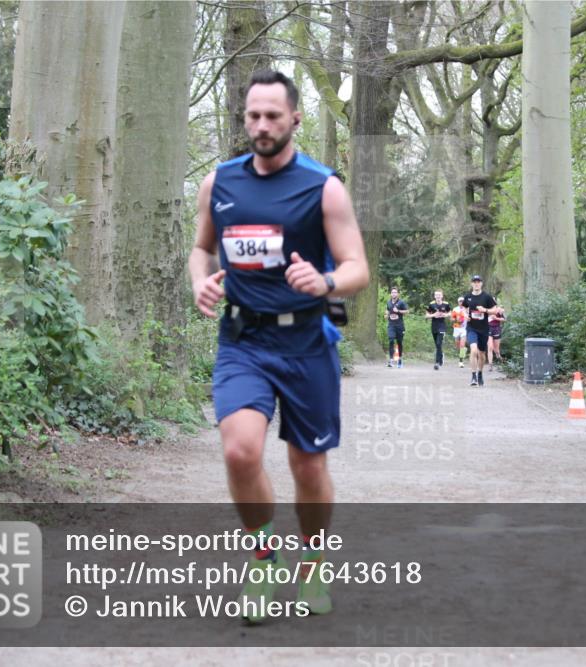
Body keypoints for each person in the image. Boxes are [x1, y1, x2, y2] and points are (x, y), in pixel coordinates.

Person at [188, 69, 369, 622]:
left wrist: (326, 282)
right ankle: (263, 558)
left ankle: (312, 563)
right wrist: (201, 279)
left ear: (294, 119)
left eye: (272, 115)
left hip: (306, 342)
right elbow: (201, 250)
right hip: (243, 338)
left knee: (307, 466)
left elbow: (358, 267)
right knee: (240, 449)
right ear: (243, 118)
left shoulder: (323, 186)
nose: (261, 125)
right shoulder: (219, 184)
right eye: (252, 115)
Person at [461, 275, 497, 387]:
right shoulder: (468, 297)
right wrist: (465, 315)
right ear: (471, 284)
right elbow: (463, 309)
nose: (476, 284)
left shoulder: (486, 297)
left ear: (481, 284)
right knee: (473, 350)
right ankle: (473, 376)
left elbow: (495, 310)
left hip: (484, 329)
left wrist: (485, 310)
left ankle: (480, 373)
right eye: (474, 282)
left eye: (478, 282)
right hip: (471, 328)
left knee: (482, 354)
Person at [424, 290, 452, 370]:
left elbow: (450, 313)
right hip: (434, 326)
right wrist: (433, 315)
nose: (438, 296)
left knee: (439, 343)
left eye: (439, 295)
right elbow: (426, 315)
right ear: (434, 296)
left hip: (442, 326)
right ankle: (441, 355)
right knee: (437, 344)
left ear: (442, 296)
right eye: (436, 295)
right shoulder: (431, 304)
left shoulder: (446, 304)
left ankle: (437, 363)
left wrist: (445, 315)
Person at [385, 287, 408, 368]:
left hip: (399, 326)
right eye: (392, 292)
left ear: (398, 294)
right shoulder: (388, 302)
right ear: (390, 294)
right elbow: (387, 310)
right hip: (391, 325)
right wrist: (386, 315)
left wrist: (398, 311)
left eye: (395, 292)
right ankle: (391, 360)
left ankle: (400, 359)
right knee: (391, 340)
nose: (393, 294)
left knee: (399, 343)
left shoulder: (401, 302)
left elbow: (406, 311)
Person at [487, 303, 506, 371]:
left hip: (496, 329)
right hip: (488, 329)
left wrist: (496, 318)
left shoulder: (499, 310)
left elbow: (504, 319)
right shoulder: (486, 310)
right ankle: (490, 365)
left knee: (496, 350)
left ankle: (500, 359)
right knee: (490, 347)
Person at [451, 296, 468, 368]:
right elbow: (451, 319)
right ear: (458, 302)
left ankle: (461, 361)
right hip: (456, 328)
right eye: (460, 301)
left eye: (462, 301)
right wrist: (456, 319)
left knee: (462, 345)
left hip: (464, 328)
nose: (461, 303)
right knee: (457, 344)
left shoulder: (467, 309)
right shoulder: (455, 309)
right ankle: (463, 351)